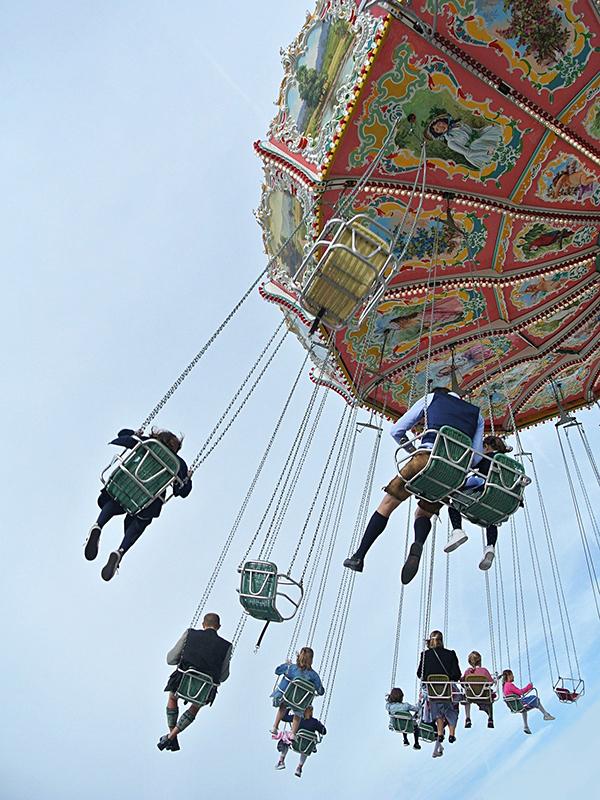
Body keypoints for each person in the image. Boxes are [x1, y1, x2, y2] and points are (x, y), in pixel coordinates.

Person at [343, 386, 484, 585]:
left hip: (426, 458)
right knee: (423, 513)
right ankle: (417, 544)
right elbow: (476, 458)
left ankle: (359, 556)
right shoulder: (477, 416)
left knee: (388, 504)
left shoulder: (432, 398)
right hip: (453, 473)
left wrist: (412, 449)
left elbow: (397, 430)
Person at [84, 427, 192, 581]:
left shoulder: (148, 442)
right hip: (147, 501)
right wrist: (187, 478)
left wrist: (137, 434)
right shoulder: (178, 464)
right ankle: (120, 551)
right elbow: (182, 491)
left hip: (125, 485)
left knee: (115, 499)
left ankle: (98, 526)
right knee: (139, 523)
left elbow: (122, 435)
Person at [157, 613, 232, 751]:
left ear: (203, 624)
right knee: (195, 706)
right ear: (219, 627)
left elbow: (170, 659)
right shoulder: (226, 646)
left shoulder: (190, 634)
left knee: (172, 697)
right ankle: (171, 737)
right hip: (204, 688)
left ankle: (171, 736)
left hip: (182, 681)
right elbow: (224, 676)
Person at [445, 435, 513, 570]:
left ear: (486, 446)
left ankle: (457, 530)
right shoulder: (508, 463)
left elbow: (472, 471)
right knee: (491, 521)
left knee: (453, 504)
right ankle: (490, 547)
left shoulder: (486, 458)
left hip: (485, 493)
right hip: (504, 500)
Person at [417, 630, 461, 758]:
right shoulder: (450, 654)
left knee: (436, 707)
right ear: (441, 641)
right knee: (453, 708)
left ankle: (440, 733)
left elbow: (420, 674)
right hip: (447, 690)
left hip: (432, 691)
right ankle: (452, 733)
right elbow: (457, 675)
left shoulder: (425, 655)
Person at [271, 648, 324, 738]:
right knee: (299, 711)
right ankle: (293, 734)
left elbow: (277, 671)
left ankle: (275, 726)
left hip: (287, 696)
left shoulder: (291, 668)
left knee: (283, 705)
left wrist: (287, 664)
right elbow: (321, 691)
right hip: (301, 701)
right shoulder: (314, 676)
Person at [274, 706, 326, 777]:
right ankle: (299, 768)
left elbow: (284, 717)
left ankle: (281, 761)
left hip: (295, 742)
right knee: (307, 746)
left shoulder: (297, 718)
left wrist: (289, 707)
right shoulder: (315, 722)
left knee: (285, 737)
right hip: (306, 747)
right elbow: (324, 731)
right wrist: (319, 724)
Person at [501, 669, 555, 734]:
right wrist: (529, 686)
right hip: (520, 703)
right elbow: (520, 692)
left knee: (524, 710)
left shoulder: (504, 687)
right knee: (534, 698)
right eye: (512, 675)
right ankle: (546, 714)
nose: (513, 676)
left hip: (516, 706)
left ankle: (526, 726)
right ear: (509, 676)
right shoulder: (509, 685)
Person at [461, 651, 495, 729]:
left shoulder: (468, 671)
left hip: (471, 695)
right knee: (490, 697)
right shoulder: (484, 671)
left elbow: (463, 683)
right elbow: (491, 682)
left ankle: (468, 718)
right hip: (483, 695)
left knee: (466, 698)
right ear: (480, 661)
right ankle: (490, 718)